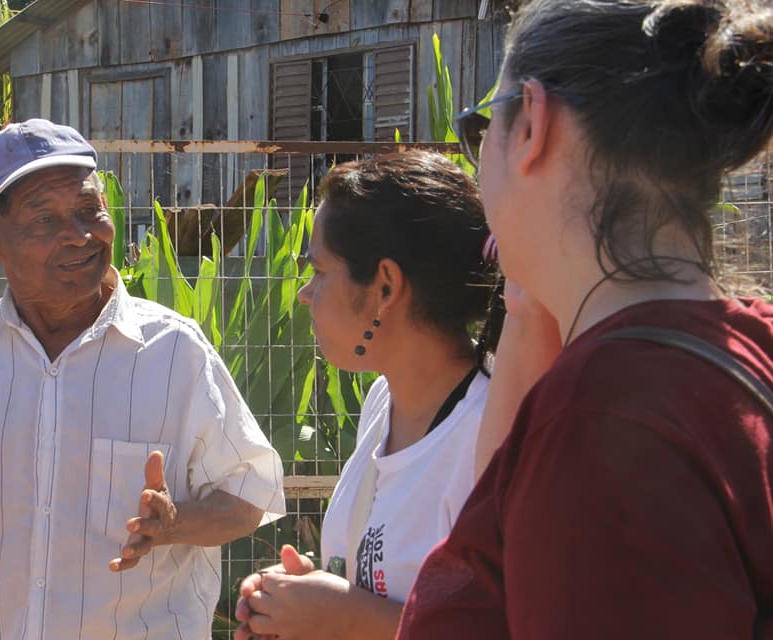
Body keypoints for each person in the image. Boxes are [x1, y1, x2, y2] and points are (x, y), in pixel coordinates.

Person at [397, 1, 773, 638]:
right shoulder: (742, 343)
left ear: (531, 127)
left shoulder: (602, 418)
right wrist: (530, 297)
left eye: (479, 128)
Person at [0, 118, 286, 639]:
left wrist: (174, 526)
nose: (80, 236)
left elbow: (249, 494)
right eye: (44, 220)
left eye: (88, 211)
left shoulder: (173, 351)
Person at [233, 151, 504, 640]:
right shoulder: (384, 402)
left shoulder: (489, 435)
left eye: (318, 271)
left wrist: (345, 617)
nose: (304, 293)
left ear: (384, 286)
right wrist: (303, 599)